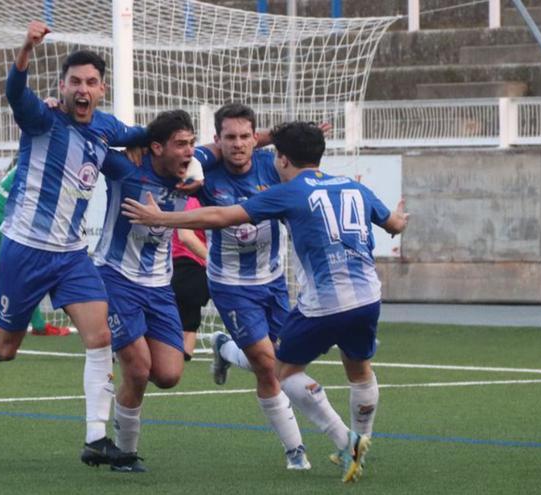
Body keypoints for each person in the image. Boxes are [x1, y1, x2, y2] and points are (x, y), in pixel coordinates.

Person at [121, 121, 409, 483]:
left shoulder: (288, 191)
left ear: (283, 160)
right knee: (358, 369)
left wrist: (161, 217)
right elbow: (393, 225)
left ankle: (346, 441)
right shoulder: (355, 187)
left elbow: (221, 216)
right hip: (367, 298)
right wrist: (399, 220)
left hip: (318, 302)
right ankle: (354, 439)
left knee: (281, 371)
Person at [0, 20, 149, 470]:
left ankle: (96, 438)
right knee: (8, 346)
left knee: (100, 337)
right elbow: (16, 92)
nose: (82, 89)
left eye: (91, 82)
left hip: (71, 255)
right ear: (62, 87)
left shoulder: (105, 126)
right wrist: (25, 49)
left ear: (102, 89)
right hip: (26, 248)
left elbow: (145, 135)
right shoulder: (42, 118)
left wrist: (190, 150)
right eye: (74, 82)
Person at [191, 103, 309, 470]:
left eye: (245, 136)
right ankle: (295, 451)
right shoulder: (206, 171)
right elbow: (184, 166)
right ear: (218, 140)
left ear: (255, 139)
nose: (238, 144)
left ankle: (225, 349)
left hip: (272, 279)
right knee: (266, 363)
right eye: (230, 137)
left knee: (284, 362)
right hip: (229, 284)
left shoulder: (273, 166)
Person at [93, 110, 196, 472]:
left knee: (167, 374)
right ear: (156, 147)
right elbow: (89, 138)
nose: (189, 151)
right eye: (180, 144)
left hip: (159, 286)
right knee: (137, 370)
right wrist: (130, 139)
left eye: (191, 143)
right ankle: (124, 454)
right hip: (116, 277)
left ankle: (117, 388)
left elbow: (237, 145)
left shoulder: (194, 173)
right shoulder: (127, 168)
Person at [0, 156, 70, 337]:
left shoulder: (40, 157)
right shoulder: (46, 162)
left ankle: (38, 325)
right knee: (13, 273)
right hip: (0, 218)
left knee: (22, 273)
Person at [169, 197, 209, 360]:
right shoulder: (193, 200)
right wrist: (214, 260)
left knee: (190, 314)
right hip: (187, 262)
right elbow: (185, 235)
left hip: (192, 264)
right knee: (187, 311)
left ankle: (184, 354)